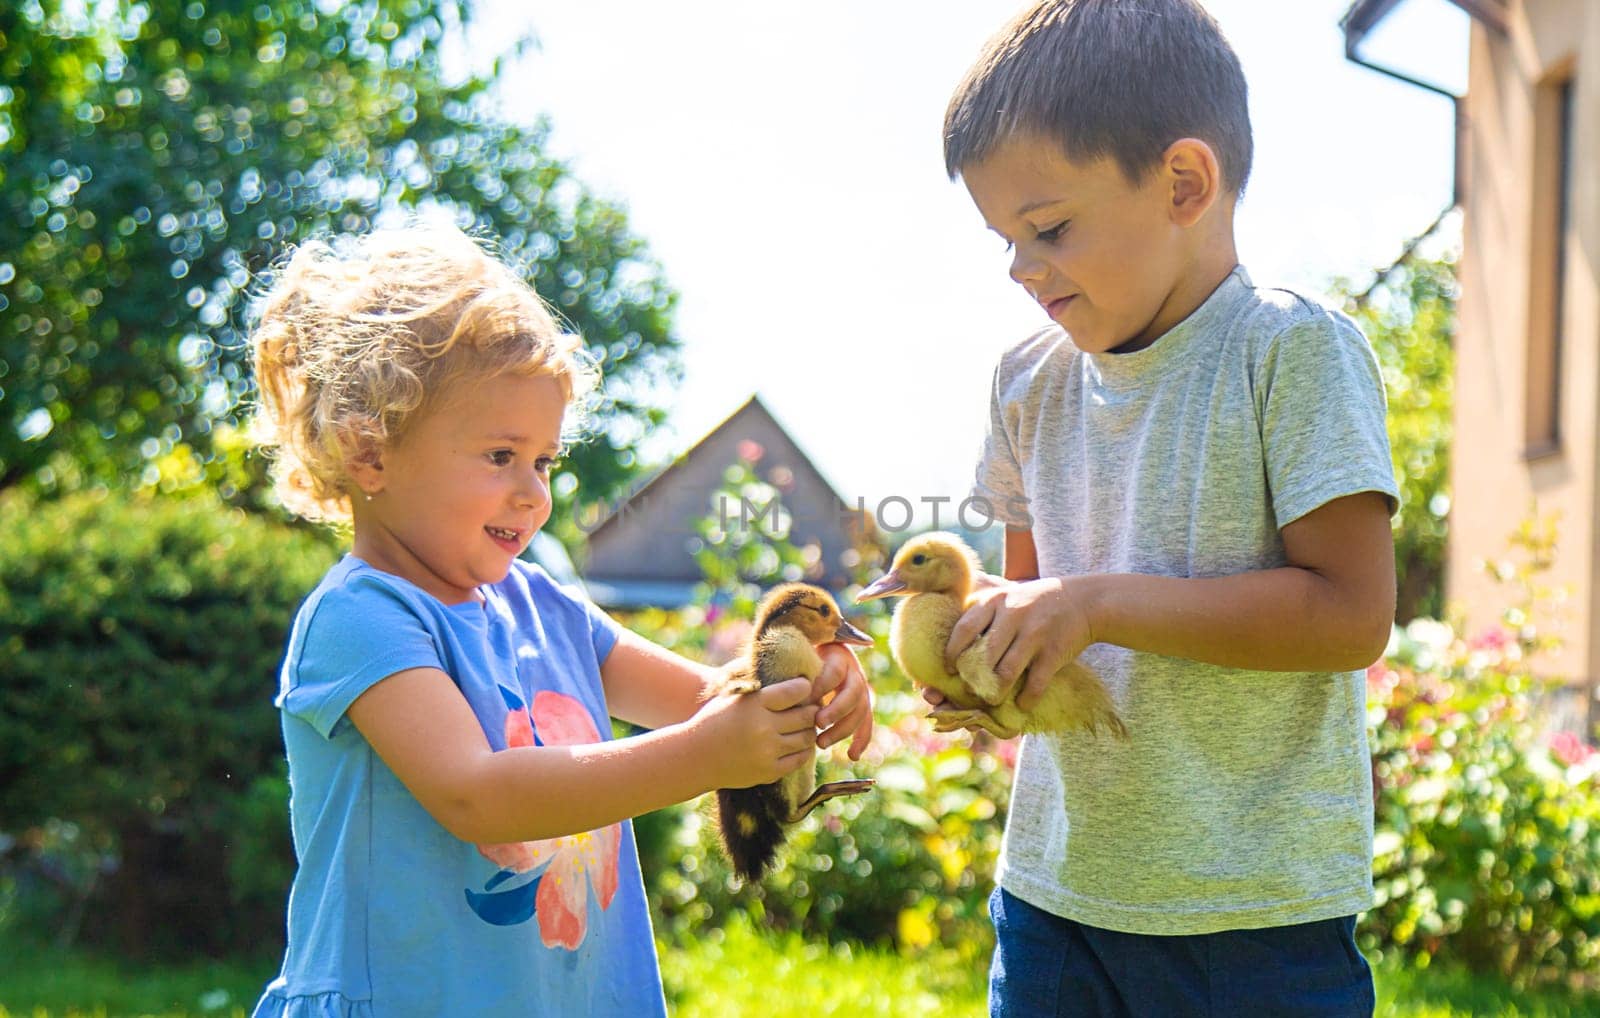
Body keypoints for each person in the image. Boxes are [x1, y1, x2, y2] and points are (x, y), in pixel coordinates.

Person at [244, 222, 873, 1016]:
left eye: (543, 461)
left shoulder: (542, 605)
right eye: (500, 456)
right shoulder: (363, 618)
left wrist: (811, 688)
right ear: (370, 452)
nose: (534, 494)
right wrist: (707, 758)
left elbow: (714, 701)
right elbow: (477, 795)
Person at [936, 2, 1399, 1014]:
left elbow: (1350, 614)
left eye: (1048, 227)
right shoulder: (1026, 384)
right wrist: (990, 669)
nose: (1021, 267)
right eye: (1003, 240)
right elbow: (1037, 607)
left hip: (1255, 922)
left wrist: (1096, 604)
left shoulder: (1293, 351)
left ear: (1183, 183)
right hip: (1054, 899)